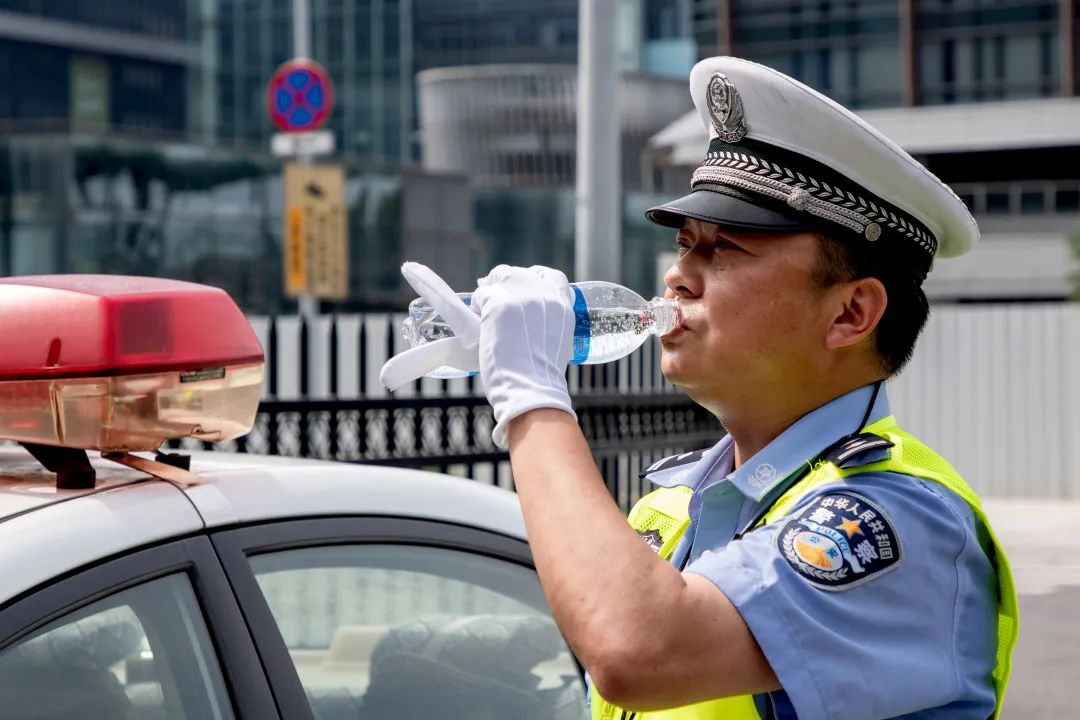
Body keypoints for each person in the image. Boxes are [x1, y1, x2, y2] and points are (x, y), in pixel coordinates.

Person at [384, 57, 1018, 720]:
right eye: (685, 244)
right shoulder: (673, 504)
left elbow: (637, 650)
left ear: (850, 313)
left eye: (726, 249)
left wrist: (530, 397)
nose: (678, 276)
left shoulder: (894, 517)